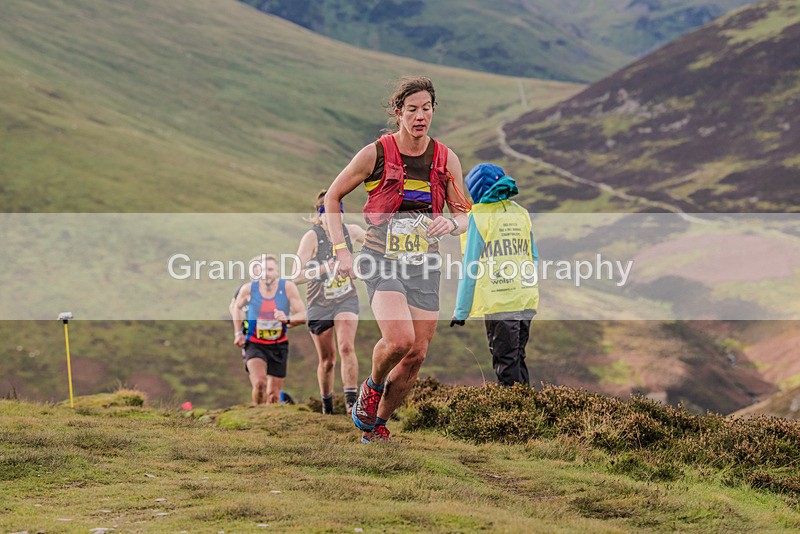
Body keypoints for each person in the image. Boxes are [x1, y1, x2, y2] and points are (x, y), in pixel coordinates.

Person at [324, 76, 471, 443]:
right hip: (380, 259)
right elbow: (332, 197)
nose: (420, 116)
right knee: (400, 339)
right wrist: (342, 250)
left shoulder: (444, 157)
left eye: (426, 109)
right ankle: (371, 388)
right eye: (412, 110)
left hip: (424, 265)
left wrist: (450, 224)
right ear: (398, 113)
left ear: (433, 110)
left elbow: (466, 213)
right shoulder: (375, 153)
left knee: (416, 355)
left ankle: (376, 426)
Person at [451, 163, 539, 386]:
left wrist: (461, 311)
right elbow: (533, 258)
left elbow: (471, 266)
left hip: (500, 301)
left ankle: (513, 415)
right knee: (517, 358)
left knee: (505, 362)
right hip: (526, 299)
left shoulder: (479, 217)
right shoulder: (521, 213)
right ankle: (527, 412)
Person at [293, 190, 366, 415]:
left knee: (346, 347)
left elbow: (376, 243)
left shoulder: (351, 231)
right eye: (329, 213)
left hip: (346, 298)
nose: (335, 218)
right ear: (320, 215)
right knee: (327, 360)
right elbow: (296, 276)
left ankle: (351, 403)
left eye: (338, 213)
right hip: (319, 303)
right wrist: (324, 268)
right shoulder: (312, 237)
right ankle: (327, 406)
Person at [232, 254, 306, 405]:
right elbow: (235, 307)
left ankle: (268, 422)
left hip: (279, 345)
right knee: (260, 384)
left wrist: (288, 319)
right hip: (254, 343)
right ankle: (256, 421)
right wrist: (238, 332)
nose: (266, 273)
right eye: (263, 270)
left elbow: (304, 314)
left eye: (270, 269)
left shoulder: (287, 287)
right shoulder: (248, 289)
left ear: (277, 271)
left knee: (273, 395)